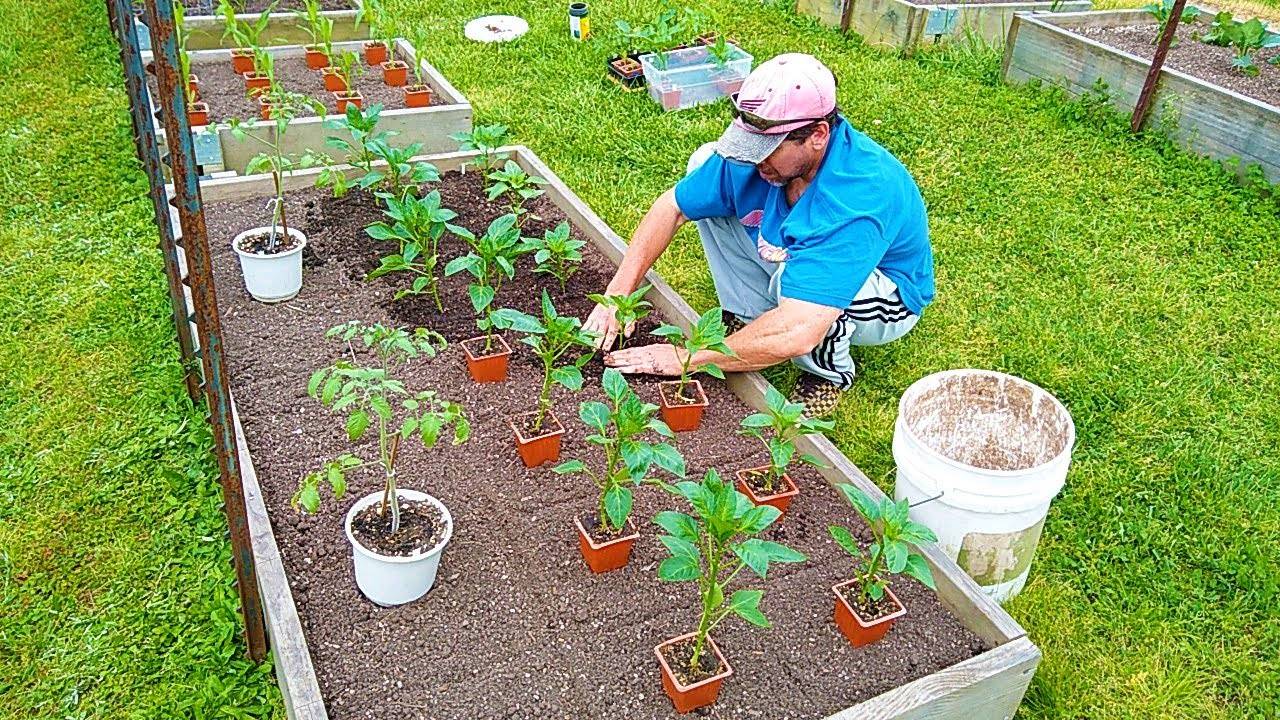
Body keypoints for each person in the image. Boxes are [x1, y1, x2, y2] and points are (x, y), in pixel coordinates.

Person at [585, 53, 935, 417]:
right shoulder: (760, 159)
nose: (755, 161)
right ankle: (749, 316)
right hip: (798, 255)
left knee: (798, 291)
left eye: (767, 150)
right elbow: (671, 208)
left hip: (883, 296)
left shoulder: (857, 197)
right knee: (704, 166)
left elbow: (799, 329)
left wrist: (688, 358)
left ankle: (826, 376)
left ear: (817, 134)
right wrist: (616, 296)